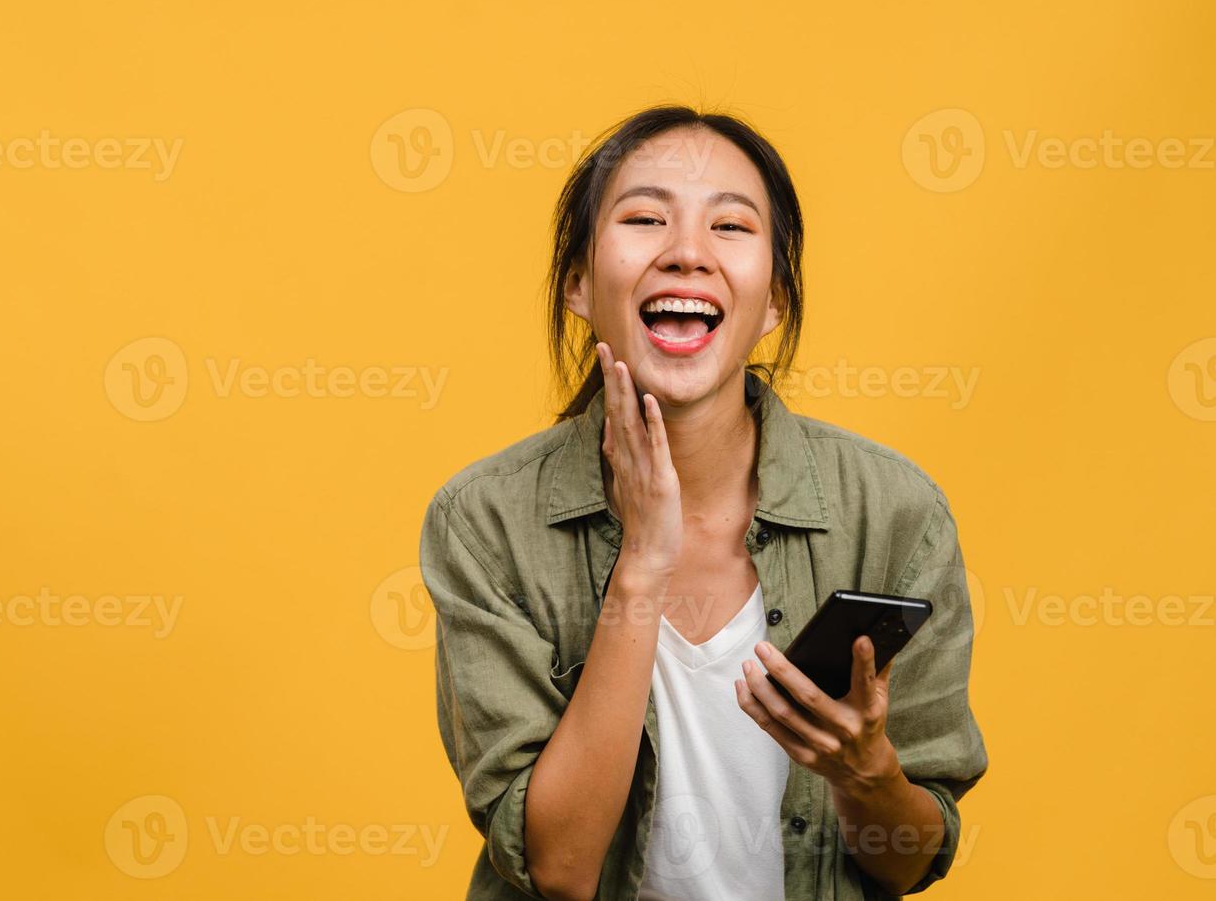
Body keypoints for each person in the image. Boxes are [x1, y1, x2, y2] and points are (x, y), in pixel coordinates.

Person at [418, 105, 988, 901]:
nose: (687, 254)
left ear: (775, 300)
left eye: (730, 226)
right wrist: (643, 564)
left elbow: (913, 858)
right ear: (579, 283)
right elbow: (560, 869)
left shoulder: (894, 511)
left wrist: (867, 773)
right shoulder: (485, 524)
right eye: (645, 218)